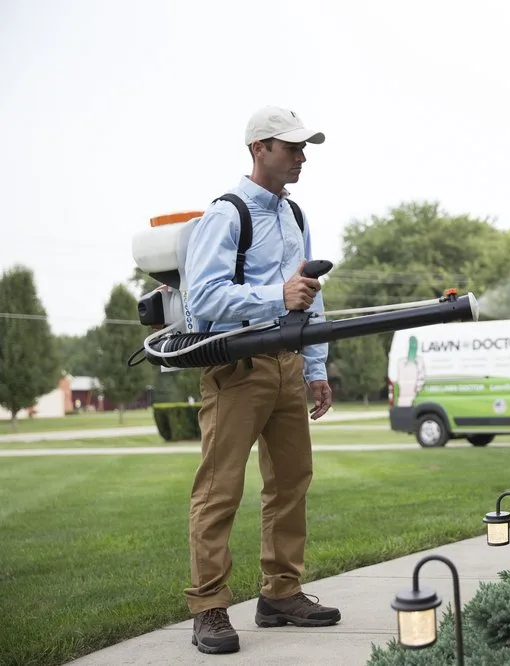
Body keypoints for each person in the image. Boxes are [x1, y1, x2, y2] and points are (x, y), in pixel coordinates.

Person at [181, 105, 340, 655]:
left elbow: (310, 298)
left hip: (289, 366)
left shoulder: (295, 216)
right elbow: (202, 298)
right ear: (259, 149)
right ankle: (208, 607)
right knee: (220, 488)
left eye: (304, 148)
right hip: (237, 369)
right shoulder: (225, 214)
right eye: (292, 147)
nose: (302, 157)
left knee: (292, 481)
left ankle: (280, 594)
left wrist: (316, 370)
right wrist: (276, 297)